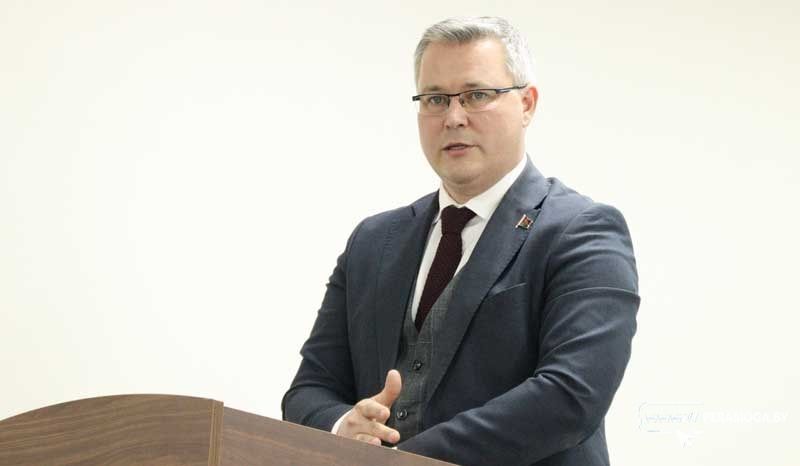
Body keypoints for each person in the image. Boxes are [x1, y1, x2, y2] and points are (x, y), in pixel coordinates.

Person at [282, 16, 639, 466]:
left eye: (477, 95)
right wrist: (343, 429)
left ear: (527, 104)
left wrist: (399, 460)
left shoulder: (583, 231)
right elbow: (309, 389)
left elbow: (571, 396)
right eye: (435, 99)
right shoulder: (372, 241)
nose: (453, 117)